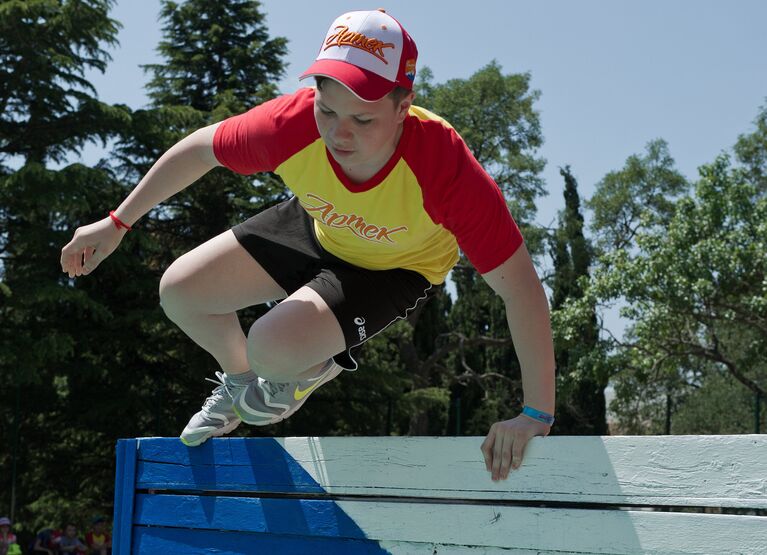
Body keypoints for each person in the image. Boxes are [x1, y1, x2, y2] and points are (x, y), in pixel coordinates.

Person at [60, 9, 555, 481]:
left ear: (404, 107)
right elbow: (200, 149)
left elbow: (521, 291)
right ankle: (239, 382)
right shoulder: (290, 124)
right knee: (179, 291)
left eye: (363, 121)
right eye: (327, 108)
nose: (339, 134)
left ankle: (305, 367)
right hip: (318, 222)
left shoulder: (446, 170)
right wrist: (117, 222)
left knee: (271, 347)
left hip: (395, 269)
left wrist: (535, 413)